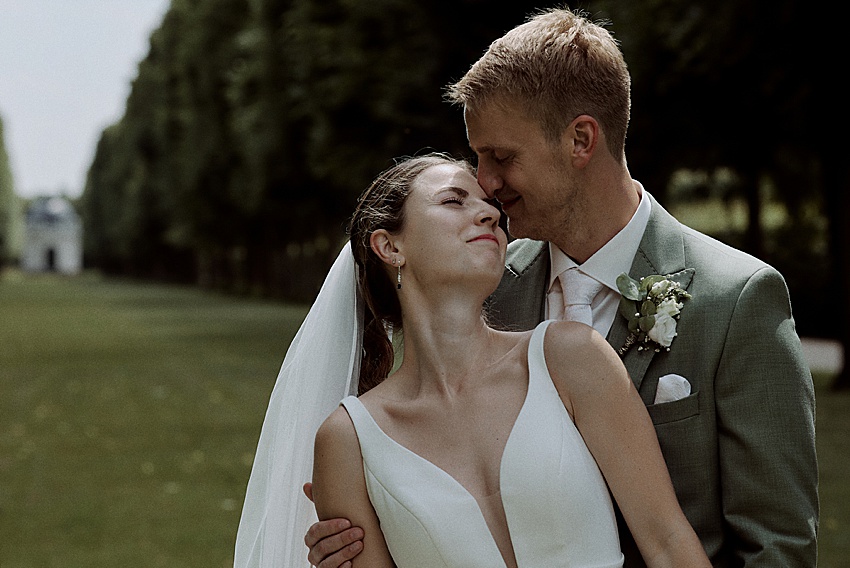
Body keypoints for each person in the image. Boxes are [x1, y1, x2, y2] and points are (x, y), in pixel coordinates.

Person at [304, 7, 818, 568]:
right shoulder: (482, 288)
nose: (487, 185)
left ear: (580, 140)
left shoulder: (737, 299)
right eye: (477, 160)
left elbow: (778, 548)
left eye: (500, 157)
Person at [235, 152, 711, 567]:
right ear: (390, 246)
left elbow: (668, 544)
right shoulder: (348, 442)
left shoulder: (571, 358)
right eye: (454, 200)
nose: (488, 214)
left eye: (488, 204)